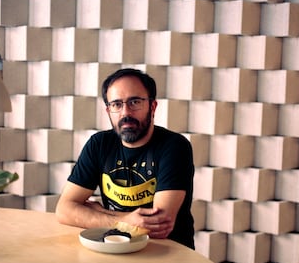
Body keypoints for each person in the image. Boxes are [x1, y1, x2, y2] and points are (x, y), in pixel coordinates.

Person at [55, 68, 195, 249]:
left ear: (152, 106)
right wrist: (125, 220)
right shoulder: (99, 144)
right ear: (108, 110)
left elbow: (157, 227)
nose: (125, 112)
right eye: (116, 104)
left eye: (135, 102)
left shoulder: (174, 146)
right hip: (117, 252)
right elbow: (64, 210)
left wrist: (99, 213)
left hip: (168, 255)